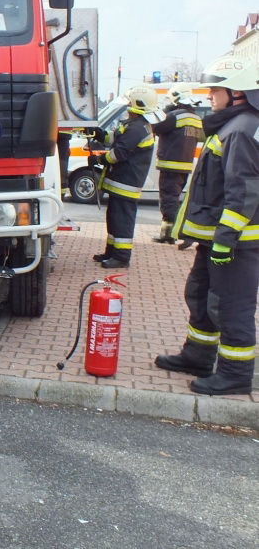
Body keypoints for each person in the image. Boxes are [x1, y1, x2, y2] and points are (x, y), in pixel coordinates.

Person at [155, 57, 259, 396]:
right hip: (215, 239)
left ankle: (235, 374)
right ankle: (197, 356)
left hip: (236, 244)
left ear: (238, 92)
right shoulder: (232, 125)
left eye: (216, 89)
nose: (210, 94)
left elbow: (242, 192)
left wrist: (226, 241)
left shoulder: (242, 130)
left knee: (231, 305)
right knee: (200, 295)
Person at [91, 84, 158, 269]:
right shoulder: (136, 126)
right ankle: (112, 252)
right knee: (114, 218)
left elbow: (118, 153)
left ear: (136, 104)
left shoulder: (137, 128)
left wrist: (99, 159)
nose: (127, 105)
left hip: (125, 183)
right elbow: (116, 139)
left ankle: (121, 257)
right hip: (121, 182)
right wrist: (100, 135)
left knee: (121, 220)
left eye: (129, 102)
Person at [150, 82, 203, 243]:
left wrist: (165, 111)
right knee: (175, 198)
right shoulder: (196, 118)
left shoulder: (175, 116)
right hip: (185, 165)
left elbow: (155, 126)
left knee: (168, 200)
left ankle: (170, 234)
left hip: (170, 164)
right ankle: (170, 233)